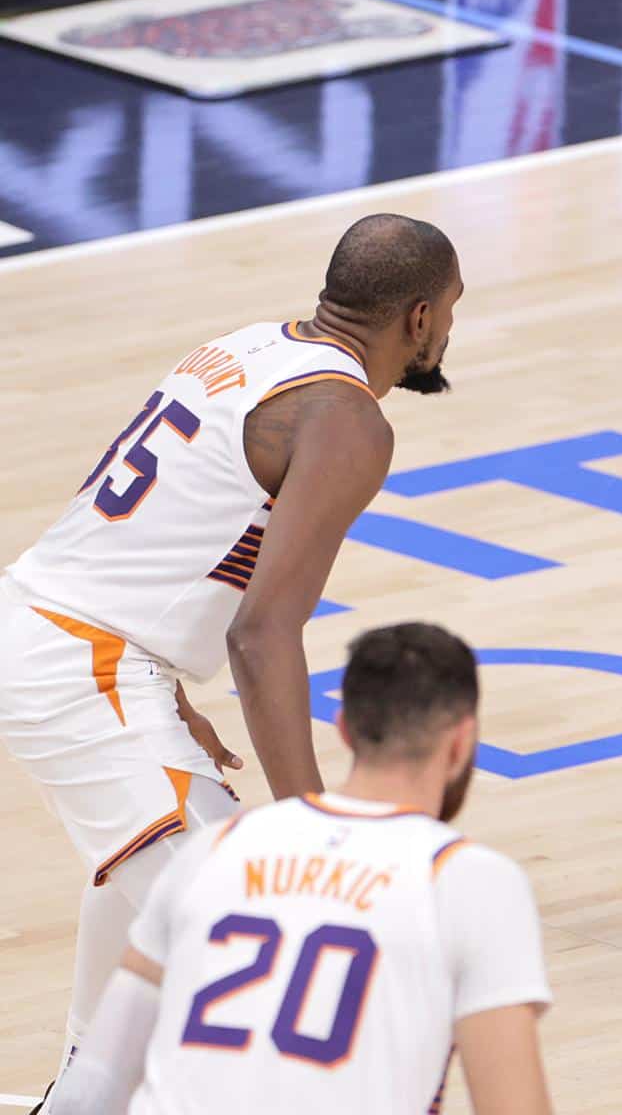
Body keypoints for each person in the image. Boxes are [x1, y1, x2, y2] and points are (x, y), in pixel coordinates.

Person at [0, 213, 462, 1099]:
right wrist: (317, 833)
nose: (447, 331)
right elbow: (261, 634)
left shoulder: (246, 348)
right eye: (449, 309)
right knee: (273, 924)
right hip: (82, 669)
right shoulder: (348, 419)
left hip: (59, 630)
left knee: (157, 896)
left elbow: (138, 531)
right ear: (416, 317)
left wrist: (163, 689)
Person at [47, 622, 553, 1115]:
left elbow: (93, 1085)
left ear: (346, 731)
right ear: (462, 744)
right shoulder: (470, 881)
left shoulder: (213, 850)